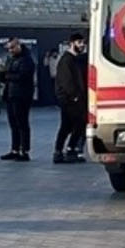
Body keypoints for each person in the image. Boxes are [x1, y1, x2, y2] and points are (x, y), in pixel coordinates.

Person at [0, 38, 36, 162]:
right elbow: (7, 76)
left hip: (22, 95)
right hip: (11, 94)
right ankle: (15, 149)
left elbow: (23, 76)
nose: (10, 50)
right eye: (9, 48)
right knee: (13, 123)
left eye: (12, 48)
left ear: (19, 46)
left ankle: (24, 150)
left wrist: (8, 75)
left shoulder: (27, 59)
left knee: (22, 123)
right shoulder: (11, 59)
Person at [54, 32, 87, 164]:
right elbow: (67, 81)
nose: (82, 45)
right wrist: (75, 96)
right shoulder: (67, 60)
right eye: (79, 43)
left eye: (83, 43)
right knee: (70, 126)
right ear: (72, 43)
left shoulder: (73, 59)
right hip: (70, 99)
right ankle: (64, 150)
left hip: (73, 98)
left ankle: (64, 150)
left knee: (73, 125)